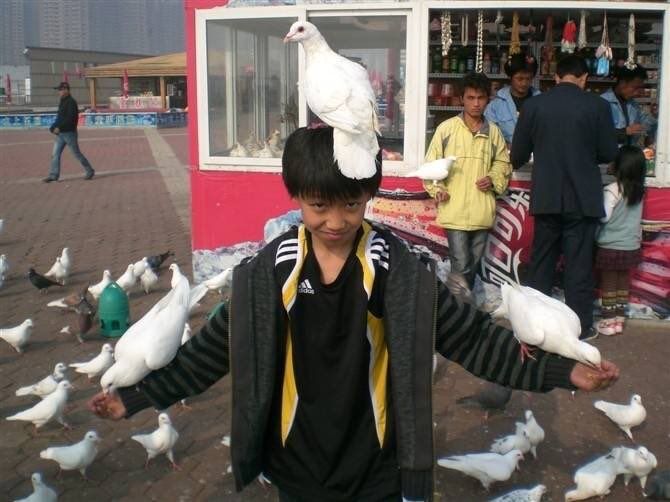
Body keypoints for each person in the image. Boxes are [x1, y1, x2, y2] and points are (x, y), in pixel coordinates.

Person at [87, 126, 618, 501]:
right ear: (295, 196)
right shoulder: (267, 276)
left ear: (369, 195)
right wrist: (133, 397)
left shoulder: (400, 274)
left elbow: (476, 341)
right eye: (319, 205)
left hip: (379, 469)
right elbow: (208, 354)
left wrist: (564, 370)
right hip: (294, 466)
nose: (336, 220)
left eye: (351, 204)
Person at [510, 55, 619, 340]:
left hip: (547, 197)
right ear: (584, 78)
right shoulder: (598, 106)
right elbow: (609, 153)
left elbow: (517, 156)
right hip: (583, 200)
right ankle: (580, 328)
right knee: (579, 267)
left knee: (541, 265)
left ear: (556, 77)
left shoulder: (534, 105)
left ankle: (534, 327)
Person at [424, 72, 511, 289]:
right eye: (470, 98)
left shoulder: (494, 133)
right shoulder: (446, 130)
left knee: (472, 264)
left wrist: (492, 179)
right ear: (461, 99)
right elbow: (431, 165)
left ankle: (460, 307)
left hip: (482, 210)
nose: (476, 103)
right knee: (461, 262)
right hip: (454, 208)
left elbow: (502, 164)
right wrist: (438, 190)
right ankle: (460, 309)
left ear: (487, 100)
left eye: (480, 98)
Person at [595, 146, 646, 336]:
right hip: (630, 246)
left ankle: (608, 322)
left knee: (608, 282)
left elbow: (604, 217)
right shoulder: (640, 192)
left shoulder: (612, 189)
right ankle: (619, 319)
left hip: (610, 245)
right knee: (623, 281)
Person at [484, 53, 541, 146]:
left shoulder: (541, 102)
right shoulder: (495, 105)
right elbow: (489, 134)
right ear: (510, 77)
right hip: (503, 156)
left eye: (528, 79)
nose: (524, 83)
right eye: (519, 78)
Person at [43, 82, 95, 183]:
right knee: (55, 154)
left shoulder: (71, 102)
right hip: (60, 134)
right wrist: (53, 127)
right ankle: (53, 175)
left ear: (66, 90)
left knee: (76, 154)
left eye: (60, 90)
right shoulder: (62, 101)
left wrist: (60, 127)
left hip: (69, 133)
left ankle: (89, 170)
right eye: (59, 90)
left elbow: (70, 118)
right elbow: (60, 117)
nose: (59, 92)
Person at [600, 65, 657, 147]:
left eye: (641, 88)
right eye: (635, 88)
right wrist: (624, 132)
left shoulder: (633, 104)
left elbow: (644, 124)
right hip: (610, 157)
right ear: (622, 83)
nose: (638, 92)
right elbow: (597, 133)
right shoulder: (602, 102)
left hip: (628, 156)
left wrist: (654, 115)